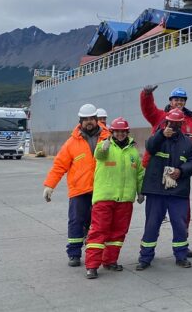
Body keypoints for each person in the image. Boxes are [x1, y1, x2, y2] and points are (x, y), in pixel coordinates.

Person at [140, 84, 192, 257]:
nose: (179, 102)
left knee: (182, 216)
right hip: (157, 174)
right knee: (154, 218)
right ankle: (147, 253)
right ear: (170, 101)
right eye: (176, 99)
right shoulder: (160, 117)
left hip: (179, 176)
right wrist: (146, 94)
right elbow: (148, 109)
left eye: (182, 100)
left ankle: (182, 246)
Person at [43, 103, 109, 267]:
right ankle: (74, 254)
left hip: (102, 189)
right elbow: (59, 165)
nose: (89, 122)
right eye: (85, 119)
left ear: (96, 119)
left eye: (91, 119)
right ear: (80, 121)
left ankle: (97, 254)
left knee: (100, 223)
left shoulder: (109, 138)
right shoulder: (71, 143)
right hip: (79, 190)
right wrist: (50, 185)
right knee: (76, 222)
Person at [136, 109, 192, 270]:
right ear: (166, 122)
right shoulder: (158, 137)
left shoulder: (188, 143)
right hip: (156, 190)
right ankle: (145, 257)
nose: (173, 125)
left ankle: (181, 256)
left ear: (182, 124)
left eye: (177, 123)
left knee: (179, 224)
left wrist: (181, 171)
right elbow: (150, 147)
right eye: (170, 122)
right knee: (152, 224)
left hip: (178, 191)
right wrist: (162, 134)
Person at [84, 117, 144, 279]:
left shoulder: (132, 151)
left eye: (123, 131)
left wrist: (140, 191)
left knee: (118, 233)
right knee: (98, 232)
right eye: (117, 131)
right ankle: (92, 266)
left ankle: (110, 261)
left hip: (125, 199)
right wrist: (103, 147)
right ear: (112, 132)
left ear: (127, 132)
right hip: (105, 198)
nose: (120, 134)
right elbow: (99, 155)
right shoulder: (105, 146)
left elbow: (139, 173)